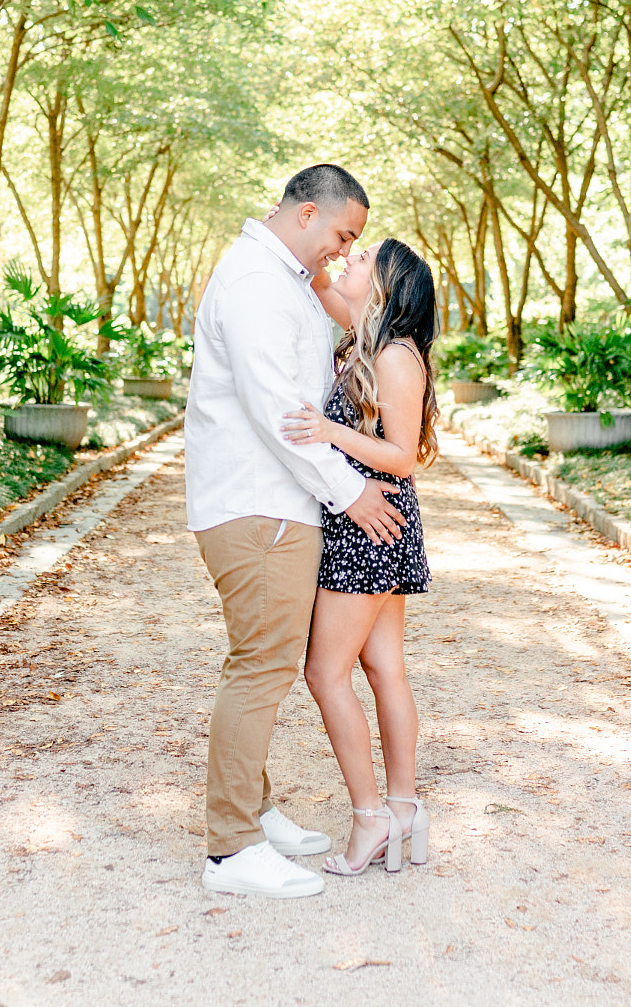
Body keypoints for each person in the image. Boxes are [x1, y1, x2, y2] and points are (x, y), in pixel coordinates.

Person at [184, 163, 409, 900]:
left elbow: (344, 341)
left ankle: (252, 809)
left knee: (265, 663)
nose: (342, 251)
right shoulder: (254, 282)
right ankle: (231, 848)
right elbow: (282, 418)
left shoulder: (282, 279)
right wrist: (353, 497)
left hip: (277, 506)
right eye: (342, 234)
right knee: (261, 667)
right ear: (307, 213)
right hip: (259, 506)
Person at [282, 237, 438, 877]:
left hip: (370, 519)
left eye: (364, 257)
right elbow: (316, 278)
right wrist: (306, 241)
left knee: (326, 673)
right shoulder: (367, 339)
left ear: (388, 284)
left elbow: (403, 455)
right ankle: (403, 810)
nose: (350, 258)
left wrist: (327, 430)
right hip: (368, 516)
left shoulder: (396, 355)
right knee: (383, 667)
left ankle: (372, 814)